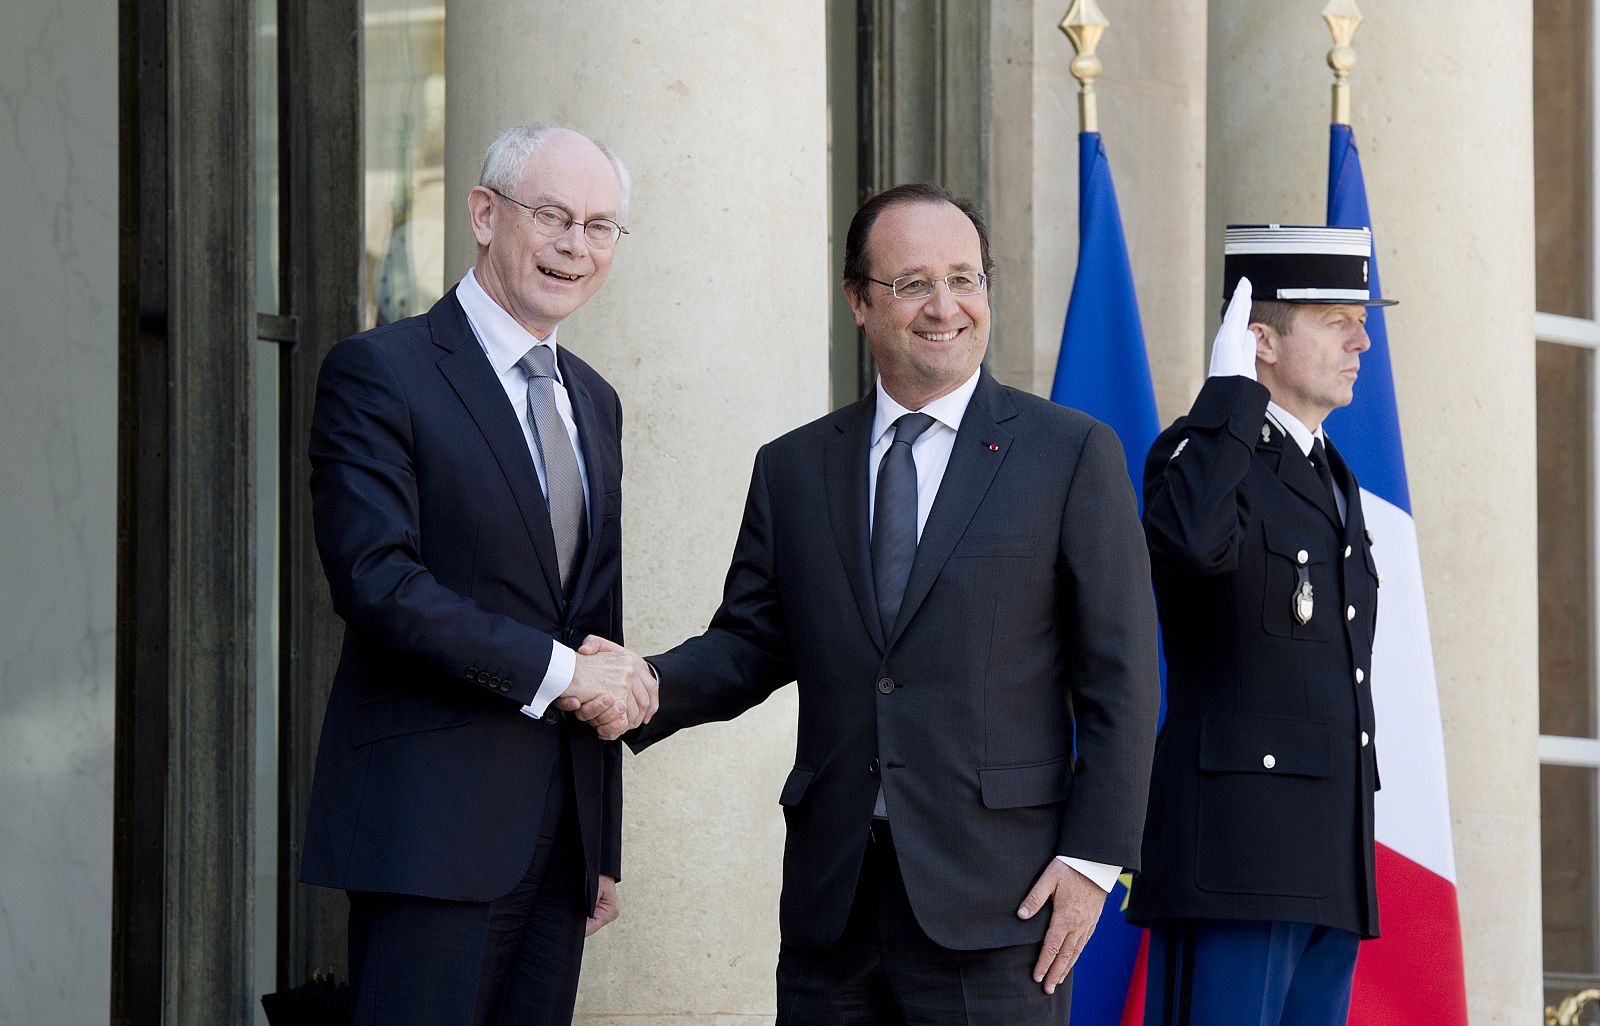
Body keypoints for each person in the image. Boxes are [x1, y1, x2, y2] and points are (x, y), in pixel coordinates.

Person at [588, 183, 1159, 1025]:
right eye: (913, 283)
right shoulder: (794, 469)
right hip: (834, 903)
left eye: (965, 279)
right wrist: (640, 683)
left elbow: (1124, 676)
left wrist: (1092, 861)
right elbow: (751, 642)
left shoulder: (1071, 455)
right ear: (858, 300)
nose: (945, 306)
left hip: (1003, 908)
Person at [299, 122, 658, 1026]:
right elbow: (379, 582)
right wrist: (566, 674)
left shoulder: (595, 398)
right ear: (484, 214)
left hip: (557, 837)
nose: (576, 246)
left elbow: (595, 621)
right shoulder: (380, 371)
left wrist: (599, 836)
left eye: (601, 225)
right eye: (553, 216)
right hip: (428, 831)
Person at [1128, 225, 1393, 1026]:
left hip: (1325, 850)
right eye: (1333, 317)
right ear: (1260, 340)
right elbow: (1188, 544)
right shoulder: (1203, 455)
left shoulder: (1329, 473)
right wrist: (1227, 401)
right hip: (1235, 855)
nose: (1362, 337)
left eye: (1361, 317)